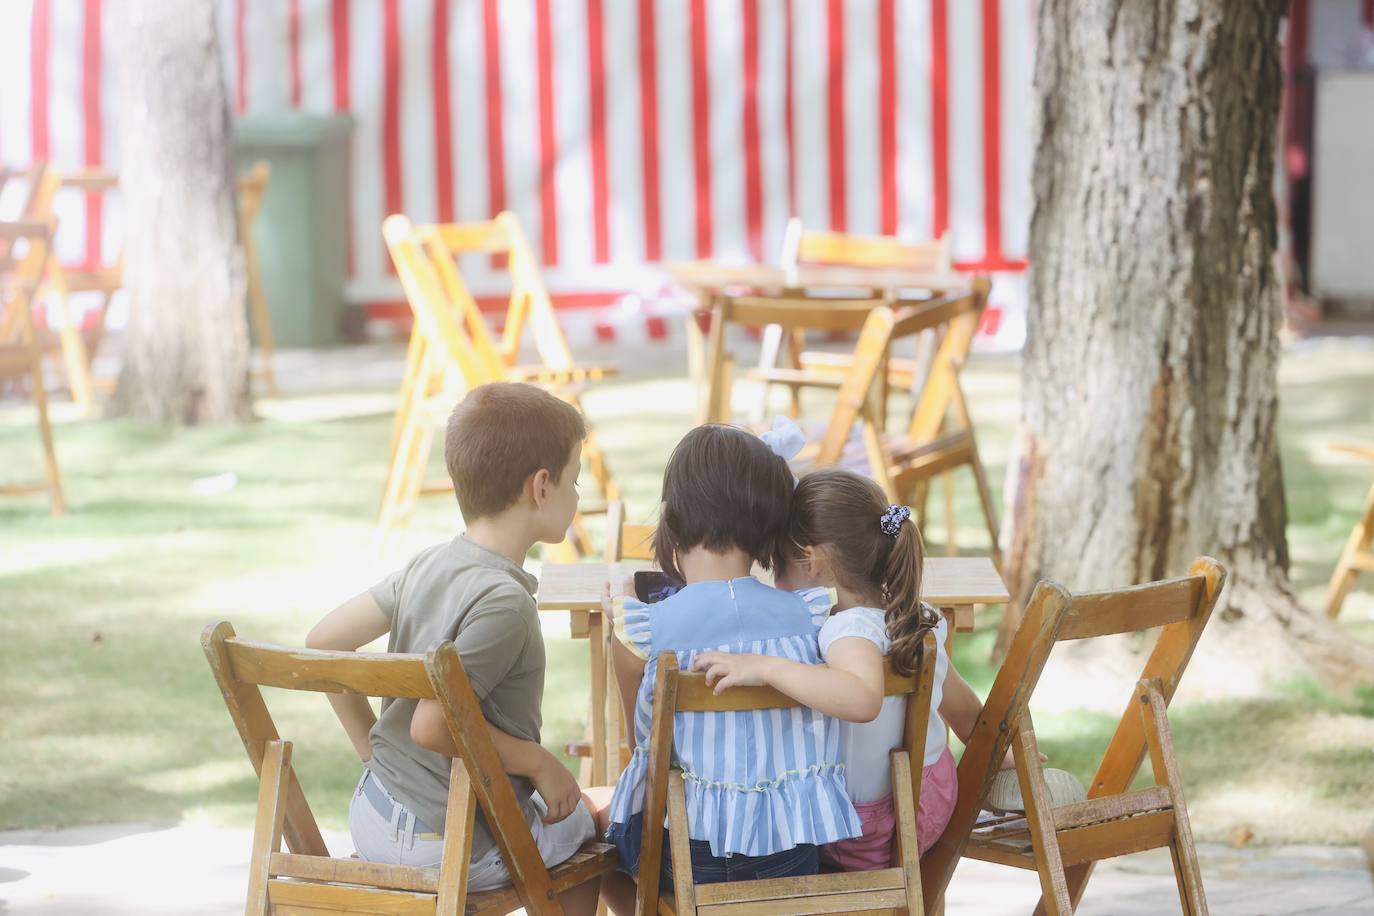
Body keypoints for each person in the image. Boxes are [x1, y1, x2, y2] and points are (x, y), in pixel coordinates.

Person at [306, 382, 599, 913]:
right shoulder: (506, 602)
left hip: (372, 813)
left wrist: (373, 753)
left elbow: (323, 643)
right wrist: (538, 762)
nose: (577, 496)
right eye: (574, 480)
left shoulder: (428, 564)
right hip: (449, 840)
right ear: (541, 487)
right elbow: (432, 725)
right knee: (585, 830)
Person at [595, 425, 862, 914]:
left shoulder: (643, 629)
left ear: (670, 518)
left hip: (688, 858)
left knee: (601, 841)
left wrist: (624, 611)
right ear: (770, 526)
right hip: (793, 852)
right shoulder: (813, 615)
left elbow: (642, 743)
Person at [692, 467, 986, 869]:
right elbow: (965, 710)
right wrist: (1006, 764)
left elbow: (862, 698)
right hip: (930, 801)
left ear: (812, 561)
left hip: (867, 832)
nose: (776, 582)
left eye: (778, 565)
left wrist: (767, 667)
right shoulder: (915, 616)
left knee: (774, 829)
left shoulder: (847, 630)